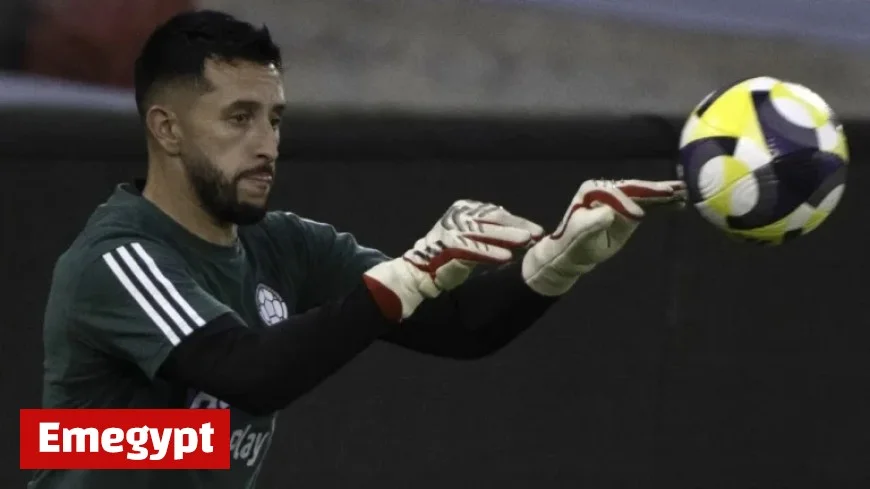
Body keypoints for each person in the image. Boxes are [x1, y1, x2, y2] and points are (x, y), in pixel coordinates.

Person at [28, 9, 686, 489]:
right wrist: (407, 276)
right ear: (166, 129)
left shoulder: (284, 244)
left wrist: (561, 257)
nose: (267, 144)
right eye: (238, 117)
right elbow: (249, 372)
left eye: (275, 118)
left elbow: (462, 326)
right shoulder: (118, 258)